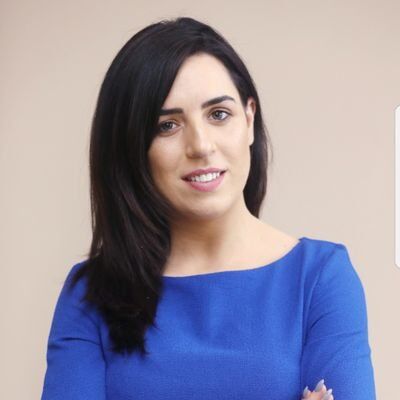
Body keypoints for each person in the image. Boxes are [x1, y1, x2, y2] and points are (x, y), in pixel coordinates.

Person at [40, 16, 376, 400]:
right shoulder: (91, 294)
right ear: (132, 147)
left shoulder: (321, 278)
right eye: (167, 125)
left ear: (249, 118)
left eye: (218, 114)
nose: (200, 145)